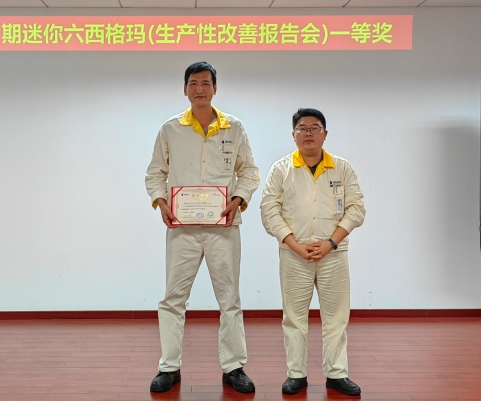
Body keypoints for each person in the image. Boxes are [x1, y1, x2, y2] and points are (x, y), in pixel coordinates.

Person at [145, 61, 260, 393]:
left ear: (215, 88)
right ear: (185, 89)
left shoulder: (234, 128)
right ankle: (169, 367)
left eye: (206, 83)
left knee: (229, 298)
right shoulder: (171, 129)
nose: (199, 89)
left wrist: (238, 199)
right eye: (193, 83)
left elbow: (249, 171)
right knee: (173, 298)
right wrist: (161, 202)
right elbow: (155, 172)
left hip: (223, 226)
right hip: (182, 228)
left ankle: (233, 367)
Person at [260, 108, 365, 396]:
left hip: (334, 253)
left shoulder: (342, 168)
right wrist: (295, 245)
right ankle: (296, 374)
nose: (308, 133)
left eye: (314, 128)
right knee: (294, 317)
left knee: (336, 317)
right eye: (302, 128)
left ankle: (337, 374)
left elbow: (356, 209)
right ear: (293, 134)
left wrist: (331, 243)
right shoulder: (281, 169)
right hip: (294, 254)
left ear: (325, 134)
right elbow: (269, 211)